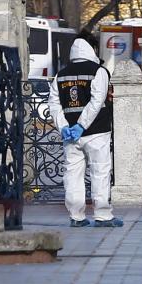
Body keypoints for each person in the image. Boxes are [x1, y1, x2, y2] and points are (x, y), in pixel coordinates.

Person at [47, 33, 121, 227]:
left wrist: (64, 127)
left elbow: (53, 104)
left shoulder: (61, 74)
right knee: (100, 172)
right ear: (93, 48)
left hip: (70, 135)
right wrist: (82, 124)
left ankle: (76, 217)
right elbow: (97, 101)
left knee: (72, 175)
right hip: (97, 131)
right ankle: (103, 215)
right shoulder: (99, 71)